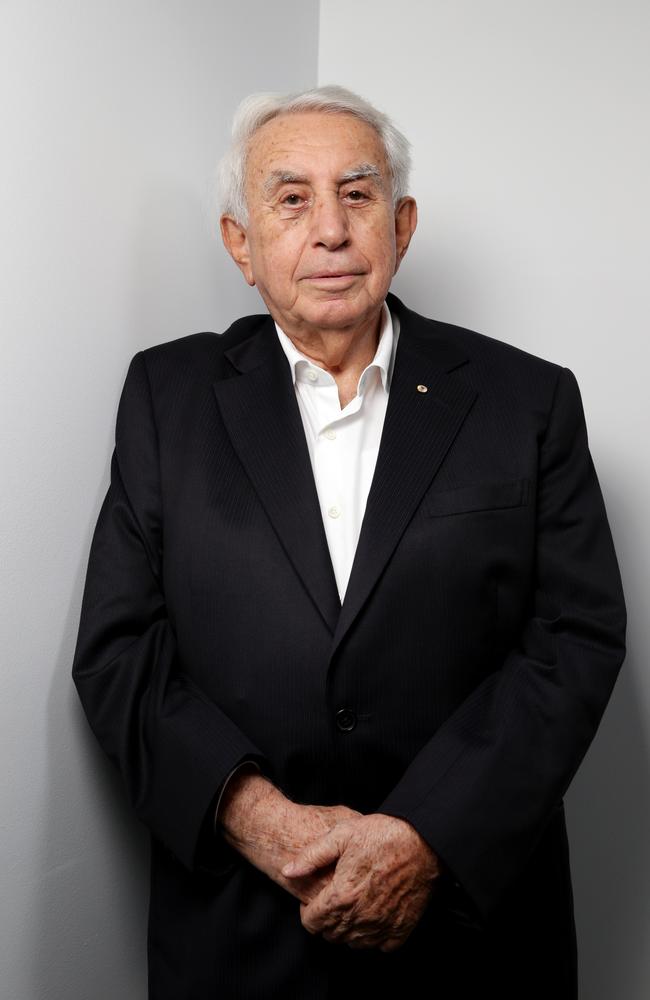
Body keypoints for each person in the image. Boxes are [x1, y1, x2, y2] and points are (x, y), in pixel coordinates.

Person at [71, 85, 627, 999]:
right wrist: (267, 826)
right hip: (241, 936)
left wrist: (423, 839)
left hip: (473, 937)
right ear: (240, 244)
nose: (330, 229)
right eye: (291, 199)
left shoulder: (527, 401)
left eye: (358, 194)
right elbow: (120, 652)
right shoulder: (166, 398)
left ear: (402, 225)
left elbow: (575, 639)